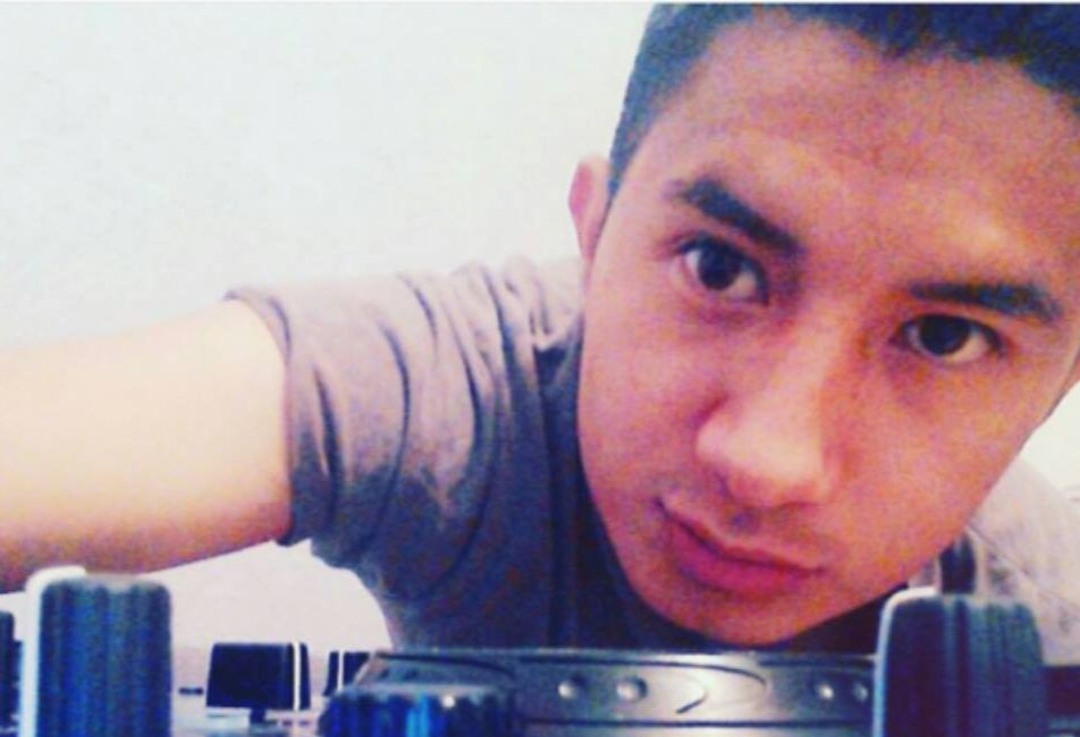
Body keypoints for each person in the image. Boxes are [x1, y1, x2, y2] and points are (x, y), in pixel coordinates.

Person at [2, 4, 1080, 660]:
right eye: (720, 268)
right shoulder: (461, 383)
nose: (765, 461)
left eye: (945, 336)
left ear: (1062, 379)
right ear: (595, 232)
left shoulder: (1051, 605)